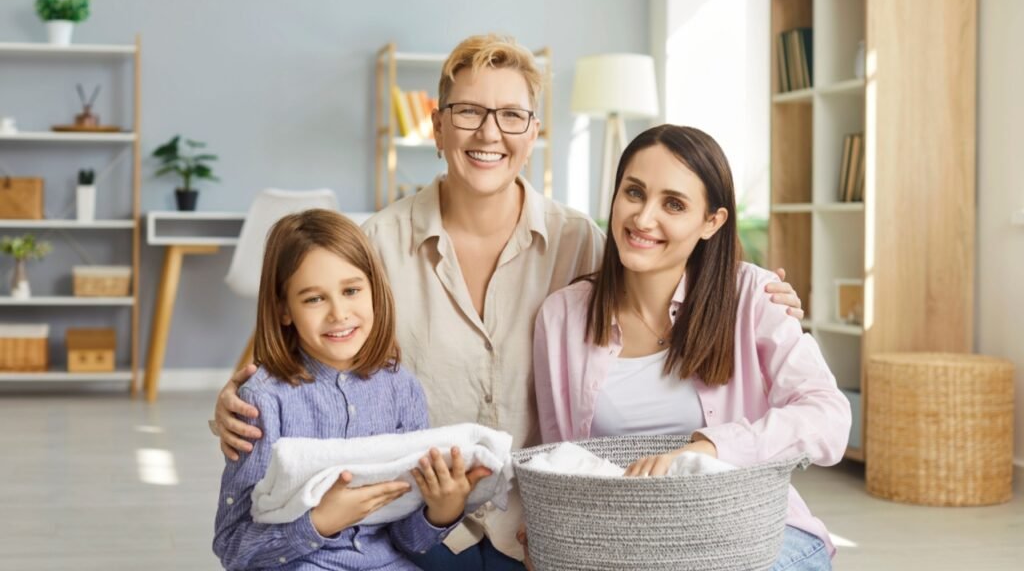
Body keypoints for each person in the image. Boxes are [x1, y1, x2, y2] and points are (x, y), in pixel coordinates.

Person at [213, 35, 805, 571]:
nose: (489, 134)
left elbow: (673, 276)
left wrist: (758, 295)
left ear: (534, 132)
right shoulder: (376, 247)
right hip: (421, 535)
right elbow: (306, 347)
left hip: (543, 529)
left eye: (511, 116)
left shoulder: (583, 242)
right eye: (468, 112)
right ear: (438, 127)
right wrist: (236, 402)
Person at [530, 125, 851, 570]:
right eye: (634, 192)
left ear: (711, 222)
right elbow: (560, 458)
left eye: (673, 204)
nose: (643, 219)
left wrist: (710, 449)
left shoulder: (755, 296)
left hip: (757, 536)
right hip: (629, 547)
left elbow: (829, 418)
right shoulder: (562, 317)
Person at [213, 209, 491, 570]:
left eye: (351, 290)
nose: (339, 313)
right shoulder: (263, 401)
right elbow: (233, 547)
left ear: (374, 291)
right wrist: (318, 523)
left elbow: (406, 538)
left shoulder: (401, 389)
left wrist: (441, 511)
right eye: (314, 298)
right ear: (284, 309)